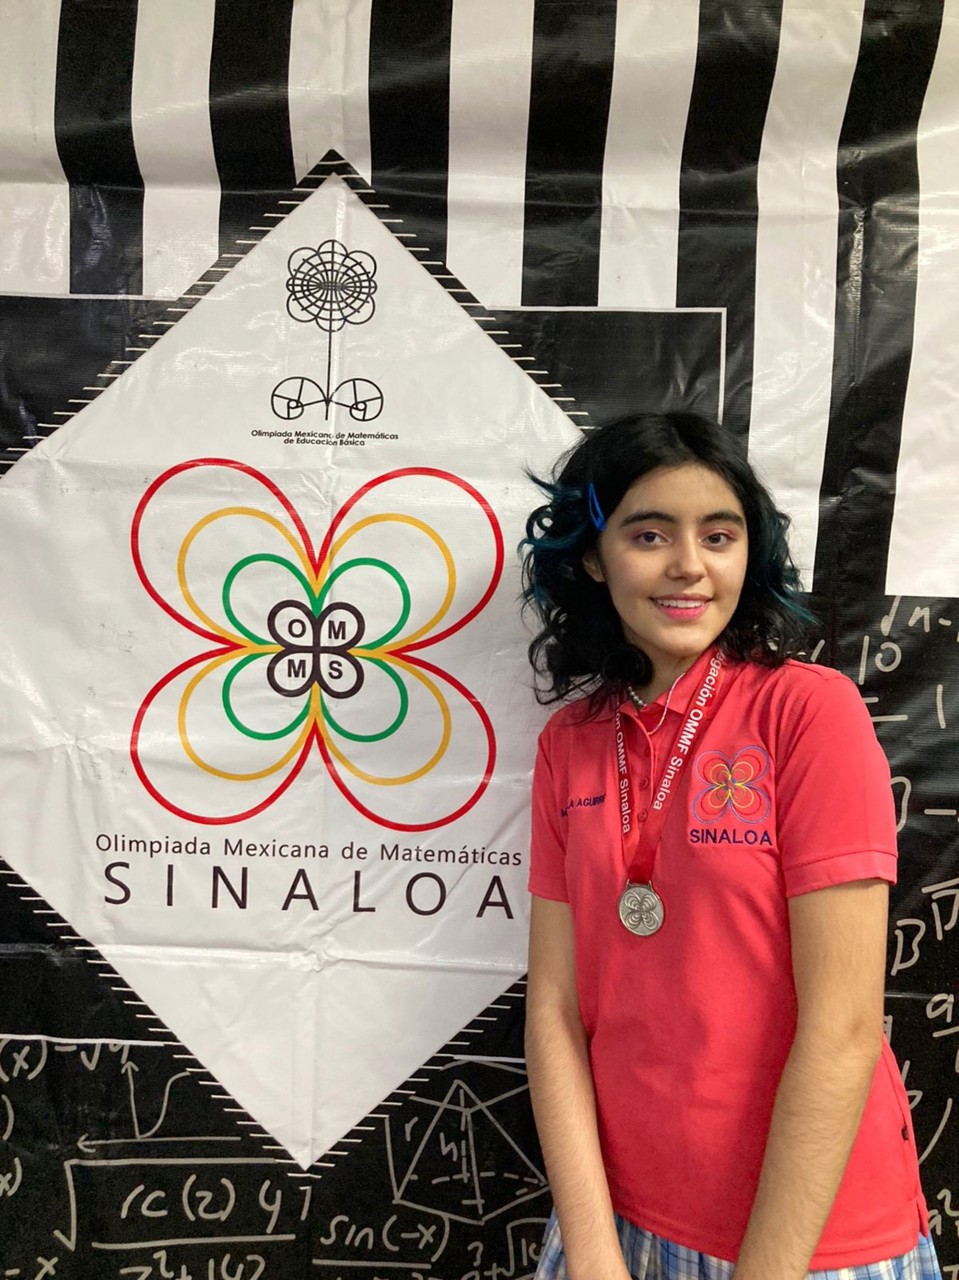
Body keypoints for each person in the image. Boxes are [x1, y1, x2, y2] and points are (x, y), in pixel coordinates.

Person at [521, 413, 941, 1280]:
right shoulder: (571, 741)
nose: (689, 565)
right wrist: (591, 1250)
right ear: (593, 556)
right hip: (618, 1218)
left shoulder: (806, 713)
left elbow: (843, 1028)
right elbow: (555, 1009)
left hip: (806, 1244)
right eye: (648, 534)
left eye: (718, 536)